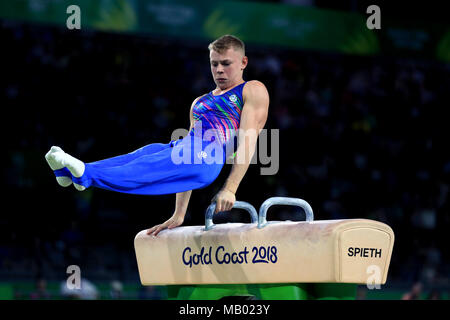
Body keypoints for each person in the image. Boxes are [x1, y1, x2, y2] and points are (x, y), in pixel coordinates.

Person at [45, 35, 269, 236]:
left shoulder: (252, 89)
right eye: (214, 64)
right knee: (145, 153)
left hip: (209, 158)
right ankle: (72, 174)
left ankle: (86, 175)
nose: (219, 70)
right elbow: (183, 169)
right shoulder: (199, 102)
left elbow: (249, 142)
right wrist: (179, 214)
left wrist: (230, 188)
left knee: (149, 166)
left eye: (226, 64)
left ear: (243, 63)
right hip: (188, 152)